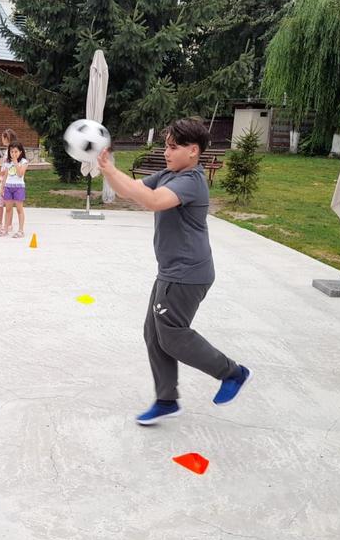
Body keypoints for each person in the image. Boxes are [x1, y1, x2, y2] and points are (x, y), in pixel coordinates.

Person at [96, 118, 251, 426]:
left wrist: (111, 170)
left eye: (173, 147)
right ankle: (166, 400)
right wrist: (108, 169)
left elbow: (154, 202)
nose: (166, 152)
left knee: (172, 336)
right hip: (172, 271)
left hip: (186, 273)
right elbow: (130, 192)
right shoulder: (169, 174)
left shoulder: (191, 180)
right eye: (166, 146)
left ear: (193, 151)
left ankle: (232, 372)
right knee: (154, 334)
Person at [0, 143, 29, 238]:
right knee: (8, 209)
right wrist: (2, 188)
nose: (13, 154)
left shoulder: (24, 162)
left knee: (19, 209)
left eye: (16, 151)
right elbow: (5, 176)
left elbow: (20, 174)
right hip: (8, 187)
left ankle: (21, 230)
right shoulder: (8, 162)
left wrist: (16, 162)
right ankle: (6, 229)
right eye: (11, 151)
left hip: (19, 187)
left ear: (20, 152)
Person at [0, 129, 18, 231]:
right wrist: (0, 170)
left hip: (8, 181)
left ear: (7, 138)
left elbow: (10, 167)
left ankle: (9, 224)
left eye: (3, 137)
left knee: (8, 204)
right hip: (3, 179)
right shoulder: (7, 151)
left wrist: (3, 175)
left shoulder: (12, 152)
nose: (2, 139)